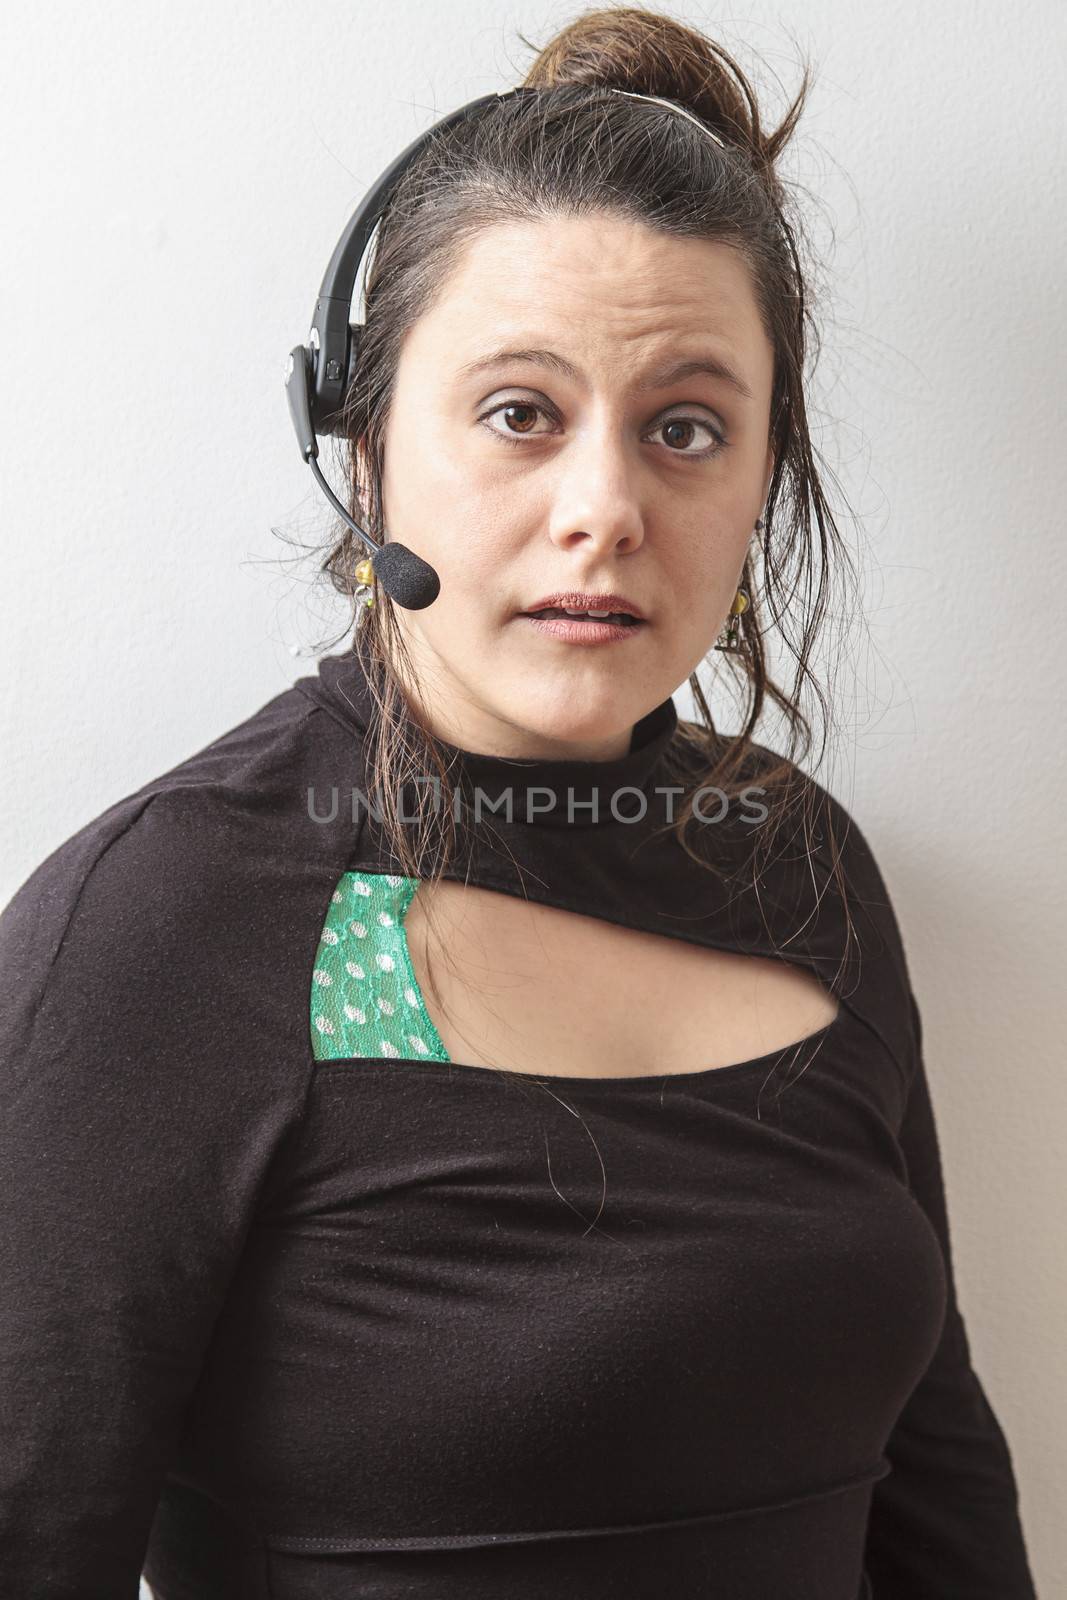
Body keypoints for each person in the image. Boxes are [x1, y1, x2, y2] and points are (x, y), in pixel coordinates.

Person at [0, 8, 1038, 1598]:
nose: (606, 512)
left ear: (762, 474)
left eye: (685, 428)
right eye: (518, 413)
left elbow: (940, 1473)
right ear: (364, 457)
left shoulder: (795, 861)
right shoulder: (179, 920)